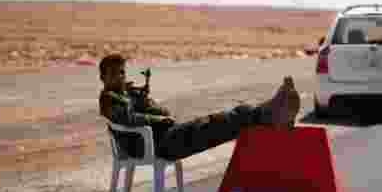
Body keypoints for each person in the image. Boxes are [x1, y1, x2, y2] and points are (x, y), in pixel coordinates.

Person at [98, 53, 301, 161]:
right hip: (154, 146)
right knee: (214, 124)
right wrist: (154, 117)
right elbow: (128, 119)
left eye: (122, 73)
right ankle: (267, 113)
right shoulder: (109, 98)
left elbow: (163, 114)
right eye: (114, 73)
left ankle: (267, 112)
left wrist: (145, 102)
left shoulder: (127, 95)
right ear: (103, 78)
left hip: (164, 138)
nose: (120, 77)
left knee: (215, 122)